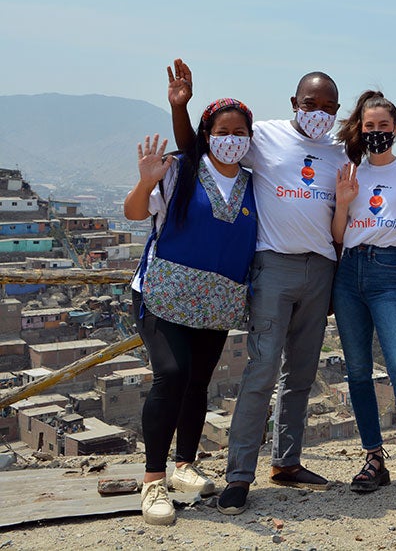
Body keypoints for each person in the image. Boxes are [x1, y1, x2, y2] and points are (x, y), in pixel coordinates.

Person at [166, 58, 347, 515]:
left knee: (302, 374)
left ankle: (286, 462)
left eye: (329, 106)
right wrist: (181, 109)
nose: (319, 112)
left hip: (321, 268)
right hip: (273, 266)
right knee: (261, 370)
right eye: (311, 103)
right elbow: (200, 152)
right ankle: (239, 476)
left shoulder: (339, 151)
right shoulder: (263, 136)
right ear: (294, 103)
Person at [124, 90, 258, 525]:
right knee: (173, 375)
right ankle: (152, 481)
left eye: (240, 133)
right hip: (163, 295)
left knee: (199, 381)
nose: (231, 139)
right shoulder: (180, 171)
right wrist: (145, 181)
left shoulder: (253, 185)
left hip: (215, 304)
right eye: (223, 132)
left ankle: (184, 466)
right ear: (207, 135)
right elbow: (133, 212)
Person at [331, 91, 396, 518]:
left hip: (389, 271)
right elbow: (339, 234)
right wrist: (342, 201)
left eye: (383, 126)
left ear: (395, 128)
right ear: (360, 128)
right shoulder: (349, 168)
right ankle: (374, 458)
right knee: (357, 371)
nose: (376, 132)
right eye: (369, 126)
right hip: (348, 272)